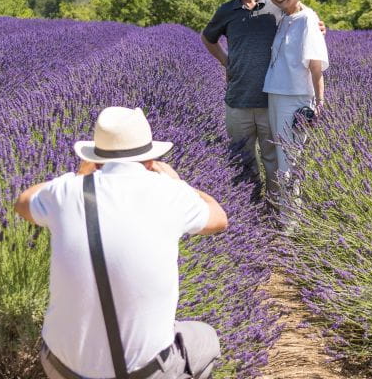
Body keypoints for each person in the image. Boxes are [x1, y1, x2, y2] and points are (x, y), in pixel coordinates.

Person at [14, 106, 228, 379]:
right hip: (145, 373)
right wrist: (180, 183)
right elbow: (219, 218)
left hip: (62, 369)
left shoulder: (67, 191)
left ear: (97, 160)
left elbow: (22, 203)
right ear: (150, 161)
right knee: (205, 338)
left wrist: (78, 178)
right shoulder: (170, 194)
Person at [200, 0, 281, 201]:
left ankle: (278, 213)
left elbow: (301, 21)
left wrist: (317, 26)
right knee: (243, 162)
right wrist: (226, 62)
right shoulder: (226, 11)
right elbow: (208, 37)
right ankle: (252, 215)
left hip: (273, 100)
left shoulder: (275, 6)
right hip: (238, 101)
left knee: (275, 163)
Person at [258, 0, 328, 190]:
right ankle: (284, 215)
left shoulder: (307, 19)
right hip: (276, 96)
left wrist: (320, 103)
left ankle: (290, 223)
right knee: (282, 160)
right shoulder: (284, 18)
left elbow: (316, 67)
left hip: (295, 98)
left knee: (290, 164)